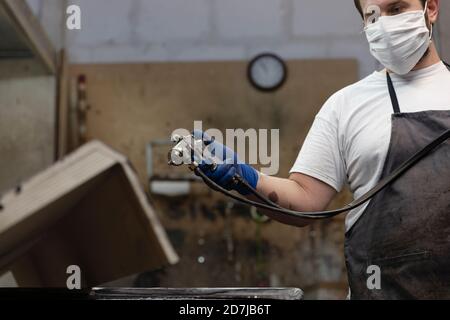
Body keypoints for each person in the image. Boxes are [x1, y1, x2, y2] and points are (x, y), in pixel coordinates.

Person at [193, 0, 450, 299]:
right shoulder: (345, 105)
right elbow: (305, 201)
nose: (386, 24)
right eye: (373, 15)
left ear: (430, 9)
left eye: (396, 9)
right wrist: (246, 178)